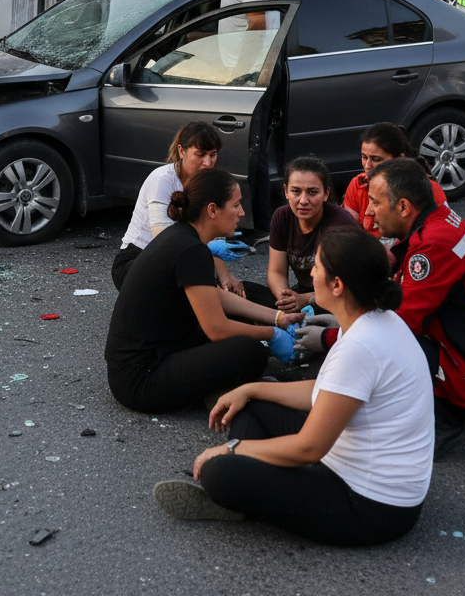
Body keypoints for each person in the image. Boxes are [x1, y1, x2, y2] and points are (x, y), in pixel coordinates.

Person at [154, 227, 433, 546]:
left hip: (370, 507)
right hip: (360, 474)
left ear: (337, 285)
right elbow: (324, 392)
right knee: (250, 405)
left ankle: (242, 492)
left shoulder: (361, 346)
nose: (311, 273)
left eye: (317, 266)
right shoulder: (370, 319)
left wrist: (232, 449)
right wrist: (250, 390)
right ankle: (254, 487)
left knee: (221, 472)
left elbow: (309, 447)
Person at [104, 170, 300, 415]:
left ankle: (218, 385)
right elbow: (216, 329)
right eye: (236, 205)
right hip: (141, 378)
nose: (241, 212)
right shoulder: (191, 250)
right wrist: (272, 334)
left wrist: (277, 317)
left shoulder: (184, 237)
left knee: (242, 315)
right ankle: (220, 393)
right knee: (251, 352)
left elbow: (216, 296)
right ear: (212, 210)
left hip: (143, 361)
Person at [365, 159, 465, 456]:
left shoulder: (434, 245)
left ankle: (449, 421)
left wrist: (330, 337)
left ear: (404, 207)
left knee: (389, 348)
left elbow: (400, 324)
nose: (370, 211)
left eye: (375, 202)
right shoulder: (441, 220)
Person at [113, 122, 253, 296]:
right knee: (199, 291)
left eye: (213, 154)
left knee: (224, 292)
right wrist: (207, 251)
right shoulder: (162, 179)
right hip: (137, 260)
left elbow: (207, 236)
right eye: (200, 155)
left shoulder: (207, 184)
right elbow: (164, 237)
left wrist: (225, 275)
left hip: (180, 258)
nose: (208, 163)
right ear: (181, 151)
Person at [210, 0, 280, 231]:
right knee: (246, 152)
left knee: (252, 156)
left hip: (252, 75)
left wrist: (242, 78)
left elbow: (256, 27)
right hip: (244, 72)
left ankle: (260, 229)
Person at [268, 156, 357, 313]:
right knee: (245, 293)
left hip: (337, 300)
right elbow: (276, 272)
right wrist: (286, 300)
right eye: (296, 191)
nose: (303, 200)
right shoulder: (281, 217)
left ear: (326, 193)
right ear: (286, 191)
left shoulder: (341, 224)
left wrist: (305, 299)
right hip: (300, 294)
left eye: (312, 192)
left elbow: (351, 285)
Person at [341, 122, 447, 241]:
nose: (367, 166)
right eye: (364, 157)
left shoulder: (429, 189)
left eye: (376, 159)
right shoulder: (358, 184)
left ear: (399, 159)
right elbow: (348, 236)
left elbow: (439, 236)